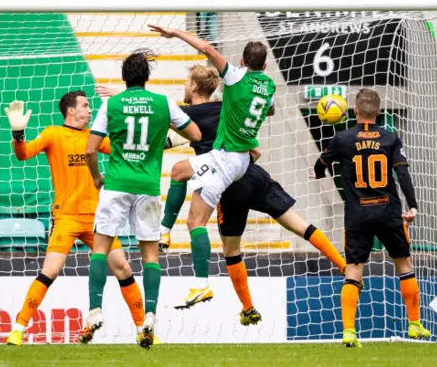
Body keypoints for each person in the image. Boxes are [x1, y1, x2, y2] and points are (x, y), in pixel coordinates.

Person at [98, 66, 349, 325]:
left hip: (226, 182)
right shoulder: (225, 109)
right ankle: (344, 266)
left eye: (186, 81)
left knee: (229, 248)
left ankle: (245, 304)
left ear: (194, 87)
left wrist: (113, 132)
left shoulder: (189, 114)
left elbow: (155, 114)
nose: (184, 85)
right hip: (253, 174)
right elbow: (252, 145)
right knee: (300, 225)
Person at [148, 24, 276, 309]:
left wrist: (175, 33)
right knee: (180, 170)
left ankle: (201, 283)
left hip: (225, 161)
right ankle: (166, 232)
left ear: (242, 63)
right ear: (265, 65)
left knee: (195, 222)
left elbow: (206, 49)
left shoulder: (233, 79)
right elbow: (269, 110)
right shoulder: (269, 86)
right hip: (238, 159)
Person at [81, 49, 201, 350]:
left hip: (117, 183)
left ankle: (95, 310)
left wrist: (97, 178)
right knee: (150, 256)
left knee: (100, 250)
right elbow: (196, 134)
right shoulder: (164, 103)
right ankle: (149, 316)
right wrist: (163, 135)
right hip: (147, 187)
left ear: (124, 78)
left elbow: (90, 149)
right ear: (148, 77)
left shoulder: (112, 103)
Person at [3, 91, 145, 346]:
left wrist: (152, 135)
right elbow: (23, 154)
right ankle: (18, 329)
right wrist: (17, 134)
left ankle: (143, 331)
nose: (89, 110)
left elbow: (124, 149)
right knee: (51, 270)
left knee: (123, 268)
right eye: (85, 106)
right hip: (66, 217)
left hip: (96, 219)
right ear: (71, 110)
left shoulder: (94, 136)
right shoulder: (53, 134)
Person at [311, 89, 430, 348]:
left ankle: (349, 332)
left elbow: (320, 165)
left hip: (357, 214)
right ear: (378, 112)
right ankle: (414, 324)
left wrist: (320, 173)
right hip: (388, 212)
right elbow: (403, 175)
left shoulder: (342, 138)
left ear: (354, 110)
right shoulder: (390, 138)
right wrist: (413, 205)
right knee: (404, 265)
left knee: (353, 270)